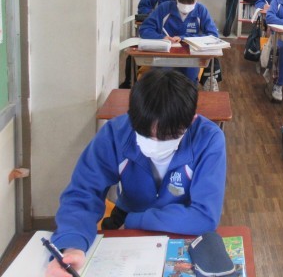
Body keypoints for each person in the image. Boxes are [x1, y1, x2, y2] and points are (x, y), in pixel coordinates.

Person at [46, 69, 226, 277]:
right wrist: (72, 245)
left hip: (182, 226)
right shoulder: (115, 133)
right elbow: (83, 193)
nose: (154, 144)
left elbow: (204, 215)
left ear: (192, 120)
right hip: (126, 220)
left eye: (168, 135)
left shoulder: (209, 140)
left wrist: (137, 220)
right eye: (144, 133)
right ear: (132, 116)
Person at [139, 0, 219, 82]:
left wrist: (184, 38)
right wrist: (162, 37)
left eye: (190, 2)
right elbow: (145, 29)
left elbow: (213, 36)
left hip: (190, 59)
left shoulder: (201, 11)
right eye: (182, 1)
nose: (185, 6)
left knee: (188, 81)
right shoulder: (164, 8)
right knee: (163, 78)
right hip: (165, 57)